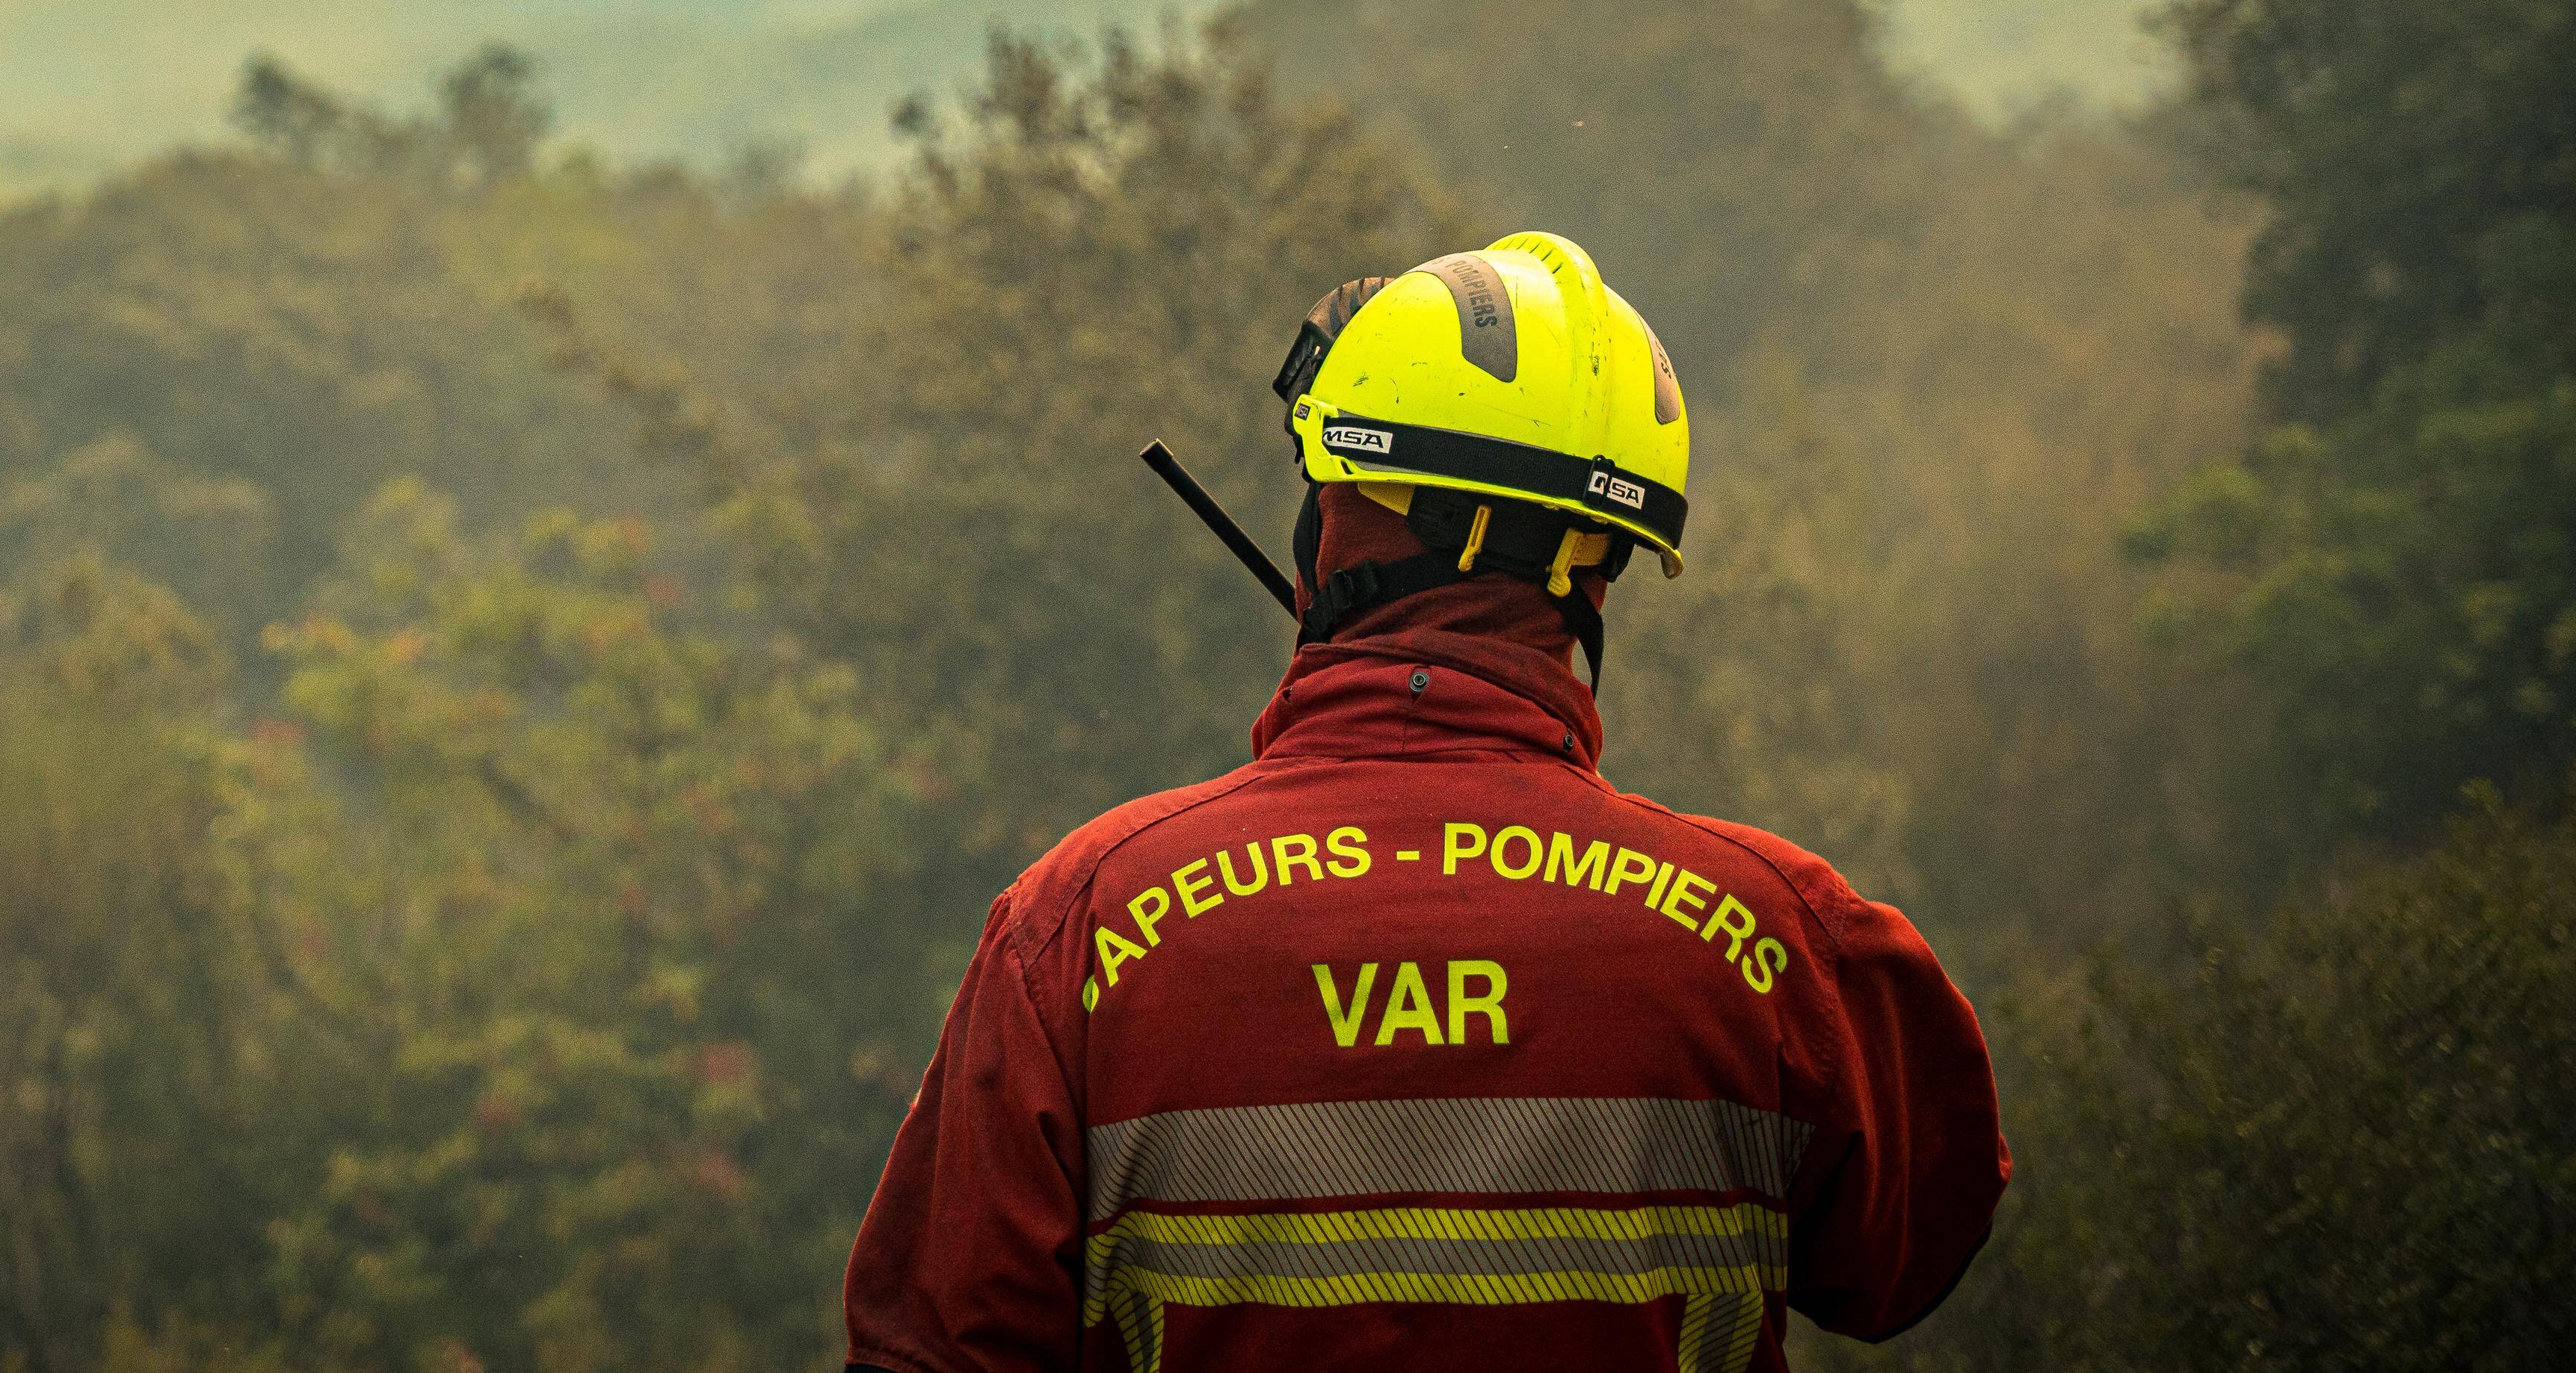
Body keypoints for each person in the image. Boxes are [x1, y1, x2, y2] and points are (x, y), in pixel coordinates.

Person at [842, 233, 2006, 1373]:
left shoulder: (1078, 928)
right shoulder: (1778, 940)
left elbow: (934, 1344)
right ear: (1598, 574)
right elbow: (1903, 1258)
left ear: (1325, 528)